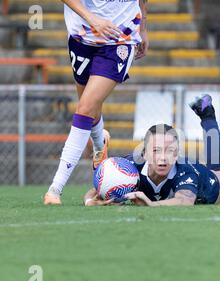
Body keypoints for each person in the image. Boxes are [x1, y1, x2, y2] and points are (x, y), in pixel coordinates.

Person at [44, 0, 149, 205]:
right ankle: (101, 146)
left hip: (120, 41)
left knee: (84, 108)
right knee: (90, 108)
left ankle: (55, 189)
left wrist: (143, 28)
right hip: (81, 39)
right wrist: (93, 19)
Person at [84, 95, 220, 206]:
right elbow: (97, 188)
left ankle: (207, 115)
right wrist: (91, 201)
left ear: (176, 154)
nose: (163, 158)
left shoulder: (185, 170)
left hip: (214, 185)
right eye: (156, 150)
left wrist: (150, 204)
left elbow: (184, 200)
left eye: (170, 151)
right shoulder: (128, 166)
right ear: (144, 154)